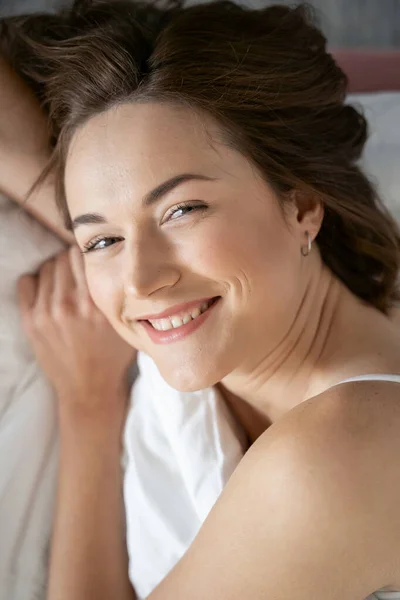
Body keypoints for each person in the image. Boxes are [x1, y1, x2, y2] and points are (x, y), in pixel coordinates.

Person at [1, 1, 400, 598]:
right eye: (102, 238)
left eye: (183, 210)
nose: (139, 280)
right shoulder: (217, 299)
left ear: (302, 206)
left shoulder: (344, 453)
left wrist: (87, 406)